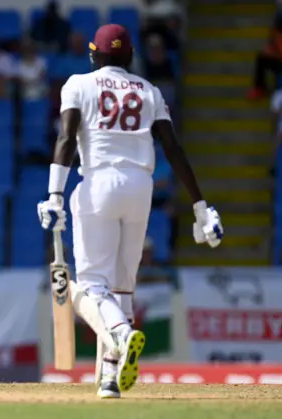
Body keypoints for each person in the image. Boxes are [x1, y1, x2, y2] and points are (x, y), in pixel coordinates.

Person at [37, 24, 224, 399]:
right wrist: (201, 207)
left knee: (92, 286)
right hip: (142, 188)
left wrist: (55, 195)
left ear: (95, 54)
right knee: (122, 287)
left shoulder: (78, 83)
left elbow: (66, 137)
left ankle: (121, 335)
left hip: (100, 185)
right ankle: (109, 378)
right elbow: (173, 149)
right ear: (130, 56)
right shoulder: (149, 90)